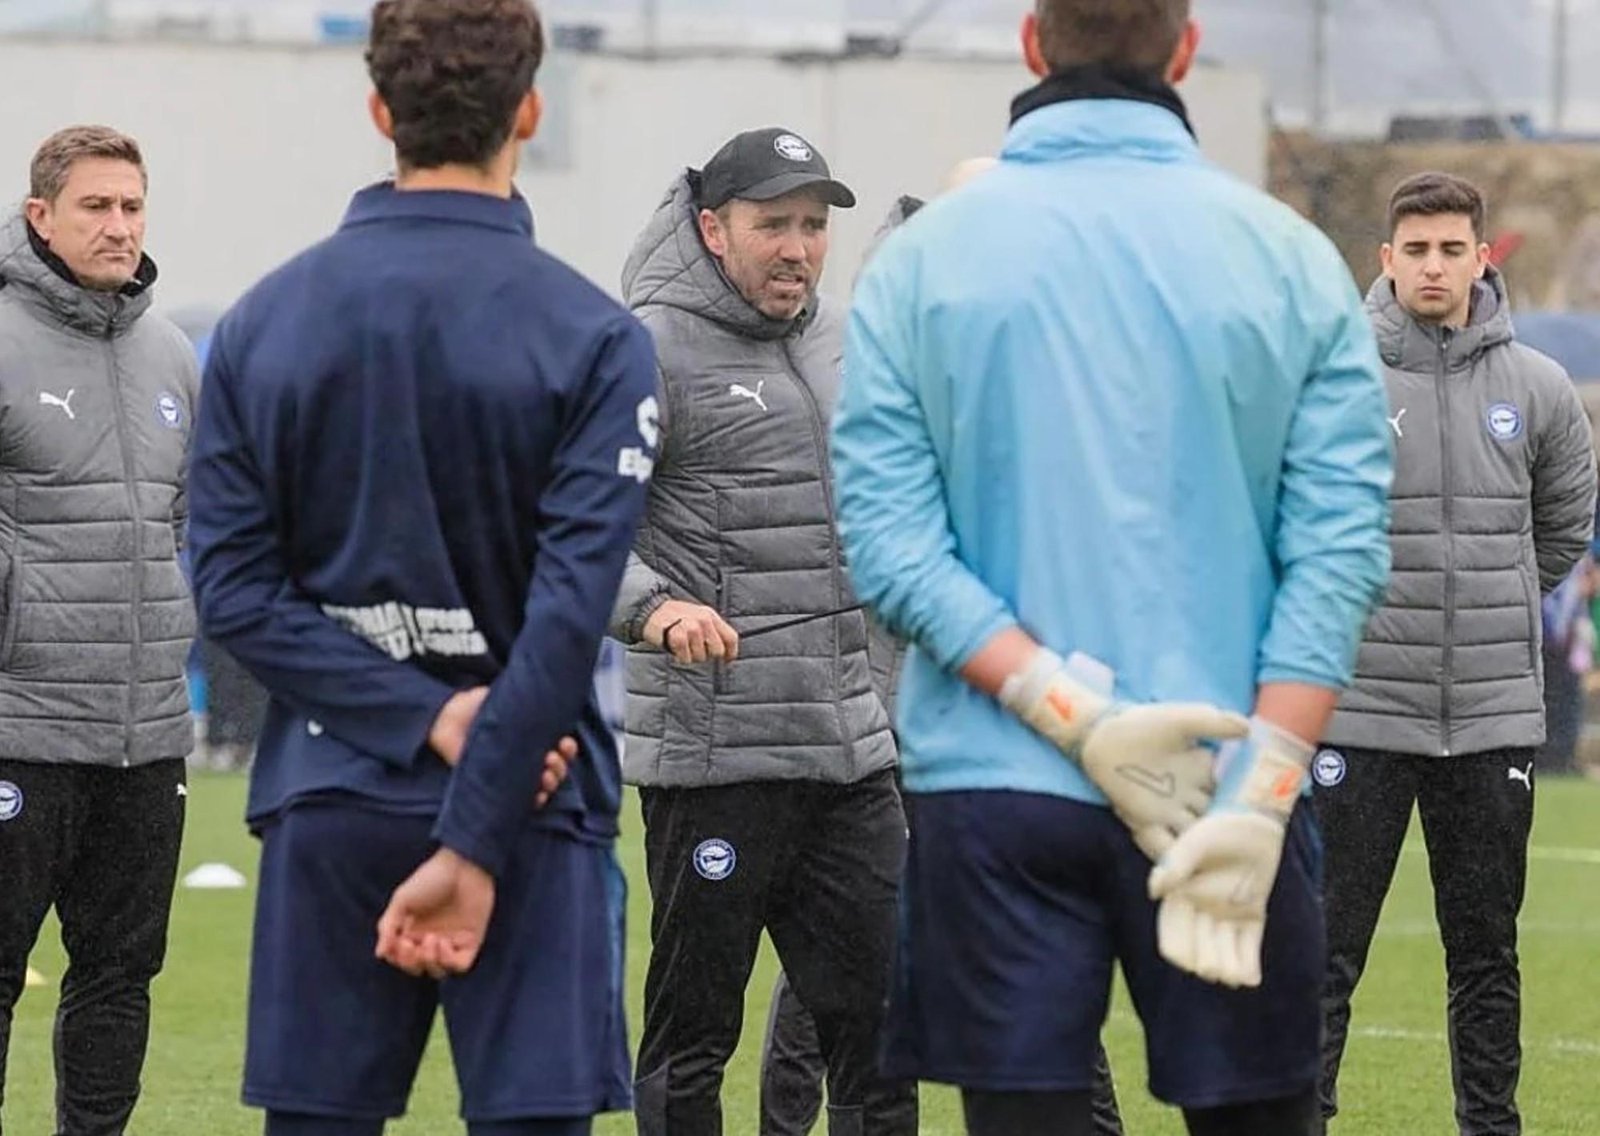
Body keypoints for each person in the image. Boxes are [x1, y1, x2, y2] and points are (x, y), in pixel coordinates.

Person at [831, 0, 1397, 1132]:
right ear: (1183, 49)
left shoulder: (924, 257)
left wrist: (1069, 707)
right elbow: (1338, 548)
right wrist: (1270, 780)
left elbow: (889, 542)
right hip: (1226, 773)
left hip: (999, 781)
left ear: (1032, 44)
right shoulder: (1287, 255)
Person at [185, 2, 659, 1133]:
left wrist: (419, 719)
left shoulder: (261, 323)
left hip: (333, 793)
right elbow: (567, 616)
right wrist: (471, 802)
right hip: (533, 803)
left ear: (379, 112)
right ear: (530, 111)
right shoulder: (595, 336)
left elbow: (232, 591)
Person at [758, 159, 1125, 1136]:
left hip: (1003, 705)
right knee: (846, 952)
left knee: (1034, 943)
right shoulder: (873, 344)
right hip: (886, 697)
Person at [608, 127, 917, 1136]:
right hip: (716, 760)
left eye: (814, 226)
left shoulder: (839, 341)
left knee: (884, 1044)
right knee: (693, 1042)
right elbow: (570, 527)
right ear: (710, 227)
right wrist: (657, 608)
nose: (797, 247)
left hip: (849, 751)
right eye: (771, 224)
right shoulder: (641, 348)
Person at [1315, 172, 1597, 1136]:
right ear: (1385, 260)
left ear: (1483, 257)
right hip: (1357, 715)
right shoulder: (1333, 376)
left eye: (1452, 248)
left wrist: (1498, 597)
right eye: (1416, 250)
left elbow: (1562, 529)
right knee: (1323, 954)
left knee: (1486, 956)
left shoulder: (1540, 387)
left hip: (1490, 720)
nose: (1433, 266)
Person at [0, 123, 199, 1136]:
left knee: (121, 976)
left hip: (144, 730)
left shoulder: (170, 351)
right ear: (41, 215)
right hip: (19, 721)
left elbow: (179, 519)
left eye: (131, 206)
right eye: (96, 206)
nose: (120, 227)